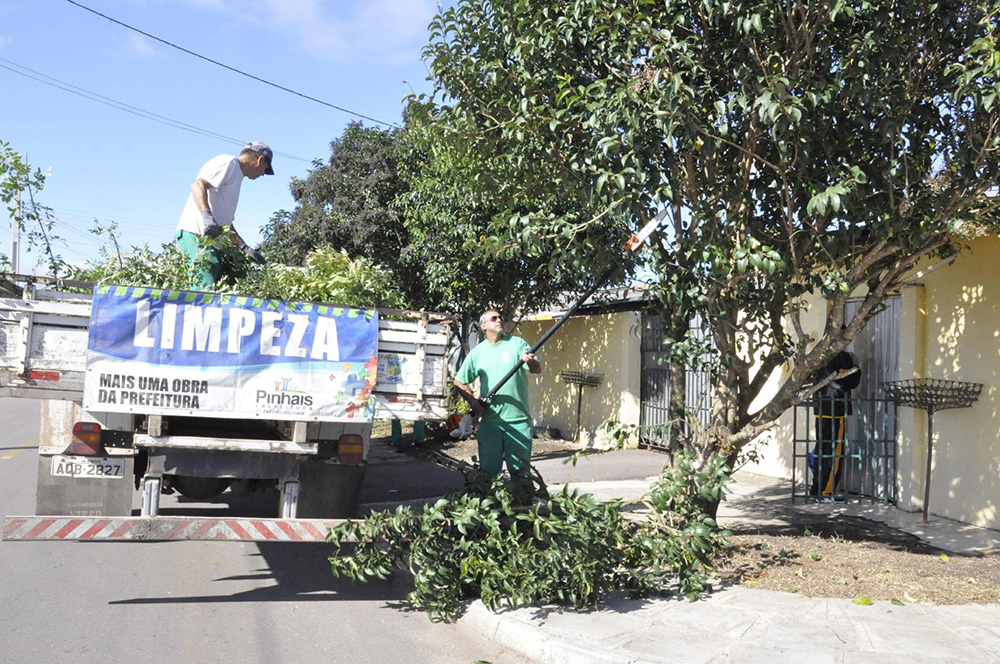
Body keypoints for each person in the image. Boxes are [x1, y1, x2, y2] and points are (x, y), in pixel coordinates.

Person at [454, 310, 541, 478]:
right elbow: (459, 382)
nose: (499, 320)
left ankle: (522, 503)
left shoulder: (517, 344)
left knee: (521, 474)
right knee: (489, 474)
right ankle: (492, 502)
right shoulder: (477, 353)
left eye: (501, 317)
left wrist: (531, 362)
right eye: (493, 318)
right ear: (483, 326)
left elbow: (537, 369)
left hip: (519, 421)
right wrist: (472, 401)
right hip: (490, 423)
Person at [175, 141, 271, 289]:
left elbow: (225, 223)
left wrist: (245, 248)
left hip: (211, 242)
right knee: (205, 292)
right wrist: (206, 216)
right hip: (198, 235)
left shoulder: (236, 177)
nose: (263, 174)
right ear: (260, 160)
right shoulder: (228, 163)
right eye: (265, 169)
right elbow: (197, 185)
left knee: (218, 290)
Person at [809, 349, 861, 501]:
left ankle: (816, 490)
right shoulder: (842, 356)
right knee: (834, 450)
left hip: (820, 407)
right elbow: (852, 382)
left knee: (822, 448)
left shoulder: (820, 353)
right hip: (835, 408)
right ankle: (825, 492)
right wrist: (856, 366)